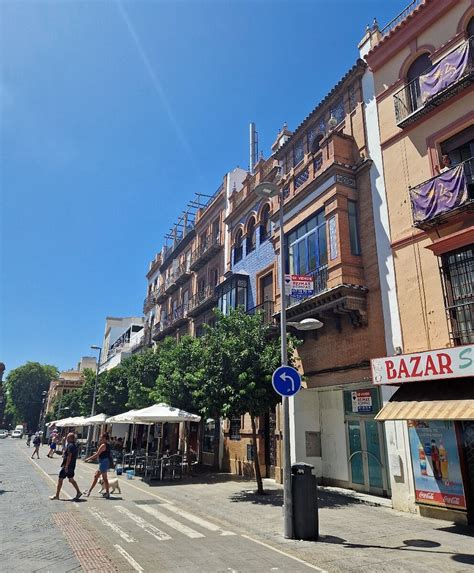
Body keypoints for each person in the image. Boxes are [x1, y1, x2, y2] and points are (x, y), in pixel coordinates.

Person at [50, 432, 82, 501]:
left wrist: (66, 466)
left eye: (68, 437)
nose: (66, 438)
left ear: (71, 438)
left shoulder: (70, 445)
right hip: (72, 465)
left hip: (67, 466)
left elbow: (69, 456)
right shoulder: (73, 445)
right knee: (71, 479)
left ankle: (57, 495)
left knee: (60, 479)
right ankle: (78, 492)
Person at [83, 432, 112, 498]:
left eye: (101, 437)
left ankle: (89, 491)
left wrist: (88, 459)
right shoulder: (107, 444)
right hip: (104, 462)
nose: (100, 438)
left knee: (96, 477)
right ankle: (107, 493)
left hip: (104, 462)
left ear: (104, 438)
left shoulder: (103, 445)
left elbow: (97, 454)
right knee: (104, 478)